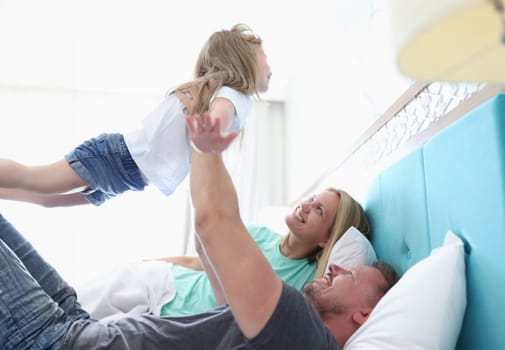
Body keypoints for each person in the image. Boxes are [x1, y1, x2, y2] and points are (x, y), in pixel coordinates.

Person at [0, 112, 398, 349]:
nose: (339, 268)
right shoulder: (282, 330)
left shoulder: (303, 336)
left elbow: (215, 220)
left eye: (352, 274)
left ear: (364, 315)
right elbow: (212, 253)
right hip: (82, 326)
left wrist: (205, 146)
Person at [0, 23, 272, 207]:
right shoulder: (235, 94)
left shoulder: (220, 92)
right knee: (37, 181)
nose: (270, 66)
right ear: (244, 59)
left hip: (127, 175)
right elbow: (219, 114)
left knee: (46, 198)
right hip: (119, 160)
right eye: (265, 56)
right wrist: (212, 135)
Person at [79, 186, 371, 319]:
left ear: (326, 240)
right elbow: (198, 263)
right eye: (311, 198)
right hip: (164, 285)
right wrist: (150, 262)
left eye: (318, 210)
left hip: (173, 322)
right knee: (71, 308)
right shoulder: (257, 234)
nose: (305, 206)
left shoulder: (309, 285)